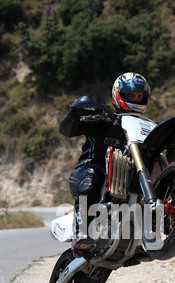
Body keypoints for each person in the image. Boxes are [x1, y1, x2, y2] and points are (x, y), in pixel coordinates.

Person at [59, 72, 151, 250]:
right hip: (87, 173)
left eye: (140, 96)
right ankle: (82, 232)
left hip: (123, 181)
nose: (136, 99)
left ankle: (144, 239)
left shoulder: (143, 127)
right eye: (131, 95)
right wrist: (75, 112)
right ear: (119, 94)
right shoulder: (103, 119)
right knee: (95, 174)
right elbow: (66, 131)